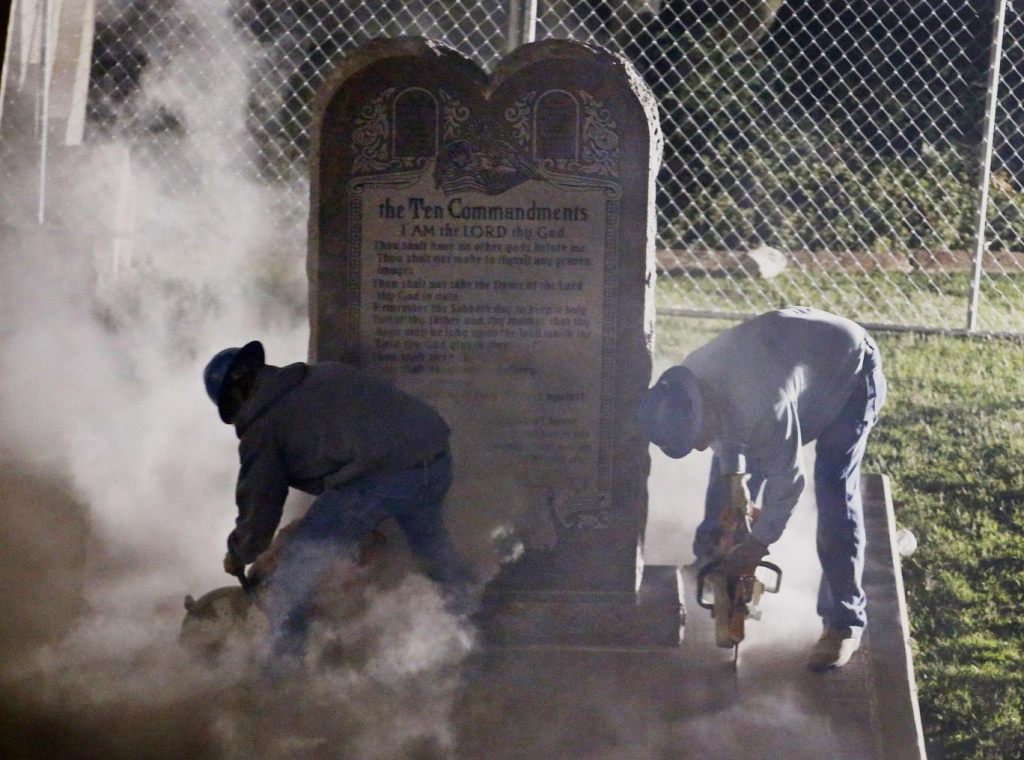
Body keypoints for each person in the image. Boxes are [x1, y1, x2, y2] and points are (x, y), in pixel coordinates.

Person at [638, 307, 886, 670]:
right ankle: (712, 572)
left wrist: (755, 547)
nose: (701, 446)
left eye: (698, 438)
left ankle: (844, 623)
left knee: (833, 487)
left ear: (701, 407)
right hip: (792, 353)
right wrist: (736, 479)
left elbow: (789, 486)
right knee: (724, 486)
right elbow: (724, 431)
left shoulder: (765, 407)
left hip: (850, 370)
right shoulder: (692, 379)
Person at [204, 340, 470, 676]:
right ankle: (475, 637)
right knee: (432, 551)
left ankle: (278, 680)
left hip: (381, 478)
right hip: (434, 455)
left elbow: (260, 507)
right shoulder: (325, 373)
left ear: (234, 400)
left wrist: (240, 553)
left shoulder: (263, 428)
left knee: (294, 574)